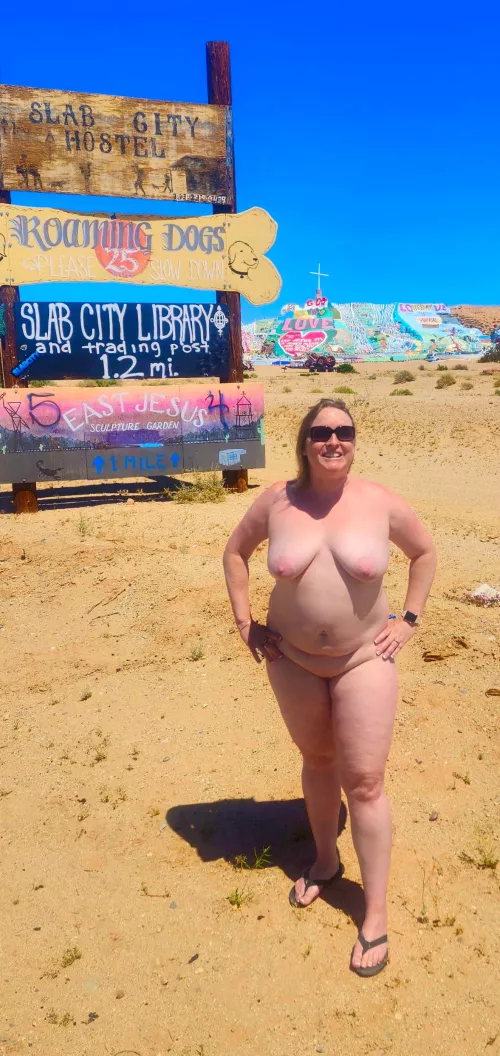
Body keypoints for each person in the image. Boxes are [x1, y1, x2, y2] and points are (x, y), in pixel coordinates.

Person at [223, 399, 437, 977]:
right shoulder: (277, 500)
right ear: (305, 441)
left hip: (365, 656)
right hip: (291, 658)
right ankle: (324, 862)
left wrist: (407, 620)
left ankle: (375, 913)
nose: (334, 441)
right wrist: (246, 624)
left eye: (344, 431)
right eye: (322, 432)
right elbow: (235, 552)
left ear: (354, 439)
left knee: (364, 781)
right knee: (317, 760)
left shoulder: (379, 502)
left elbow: (424, 553)